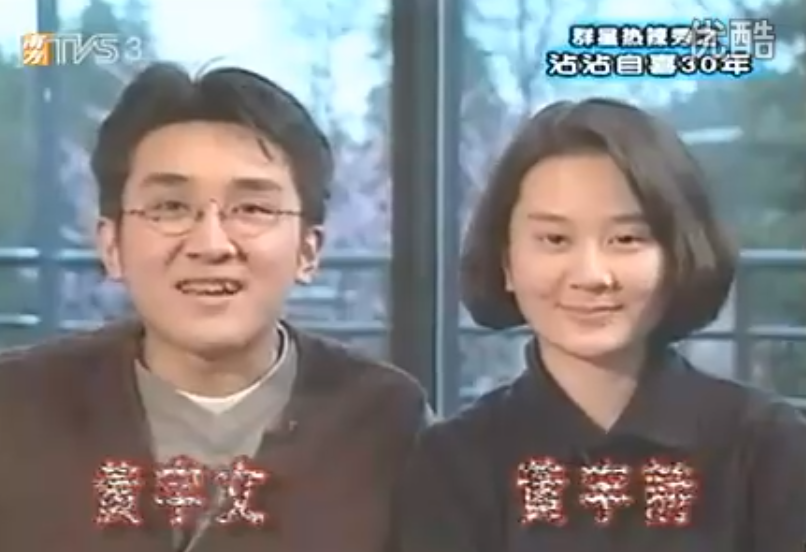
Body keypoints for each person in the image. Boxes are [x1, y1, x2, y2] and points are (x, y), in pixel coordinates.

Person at [0, 62, 429, 552]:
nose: (211, 244)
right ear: (112, 244)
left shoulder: (386, 421)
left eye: (252, 209)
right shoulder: (16, 409)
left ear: (308, 250)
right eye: (170, 208)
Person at [392, 98, 806, 552]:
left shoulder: (768, 447)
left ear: (678, 256)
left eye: (625, 238)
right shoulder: (454, 459)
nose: (591, 275)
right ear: (506, 261)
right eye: (555, 239)